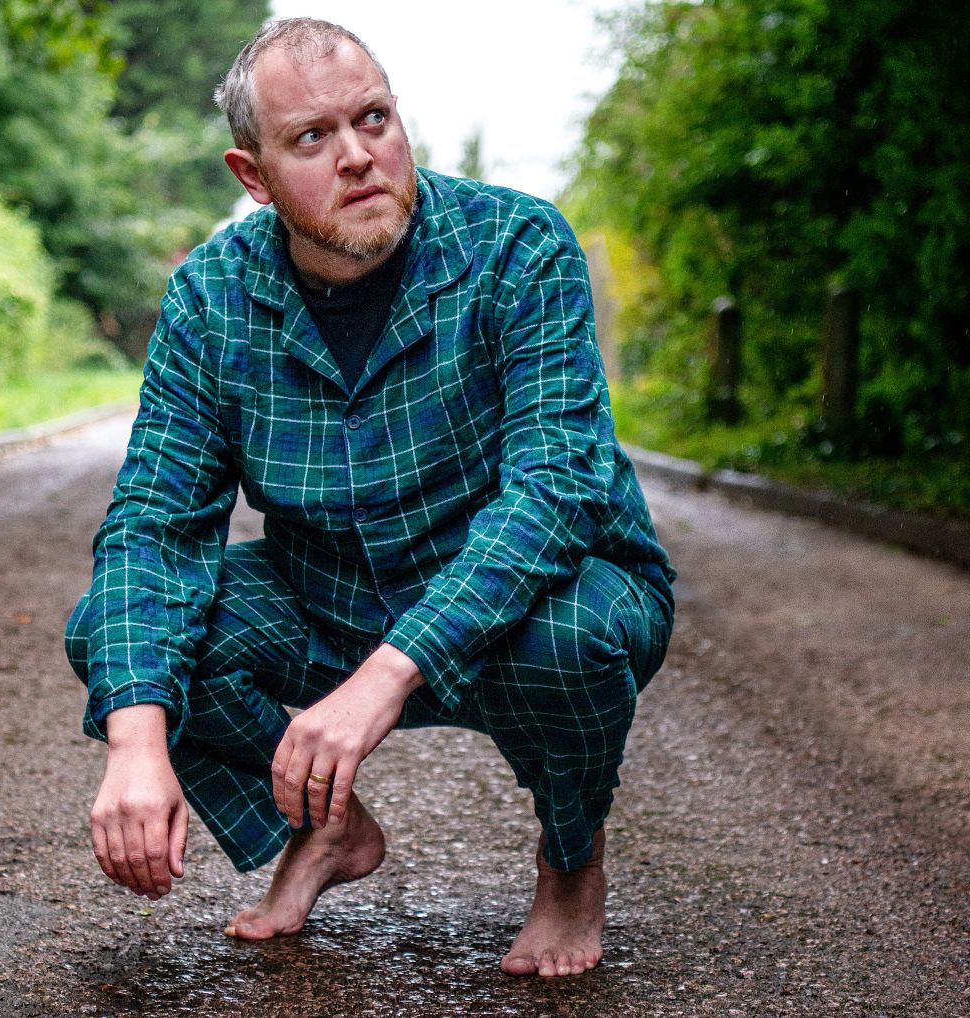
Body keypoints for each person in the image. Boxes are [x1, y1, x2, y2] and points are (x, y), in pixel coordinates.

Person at [65, 17, 674, 979]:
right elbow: (153, 525)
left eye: (374, 119)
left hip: (526, 601)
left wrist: (384, 678)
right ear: (253, 177)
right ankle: (322, 830)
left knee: (580, 635)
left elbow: (556, 492)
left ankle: (570, 866)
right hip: (329, 597)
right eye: (312, 138)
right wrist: (134, 743)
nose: (358, 156)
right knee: (120, 630)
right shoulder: (211, 298)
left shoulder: (518, 248)